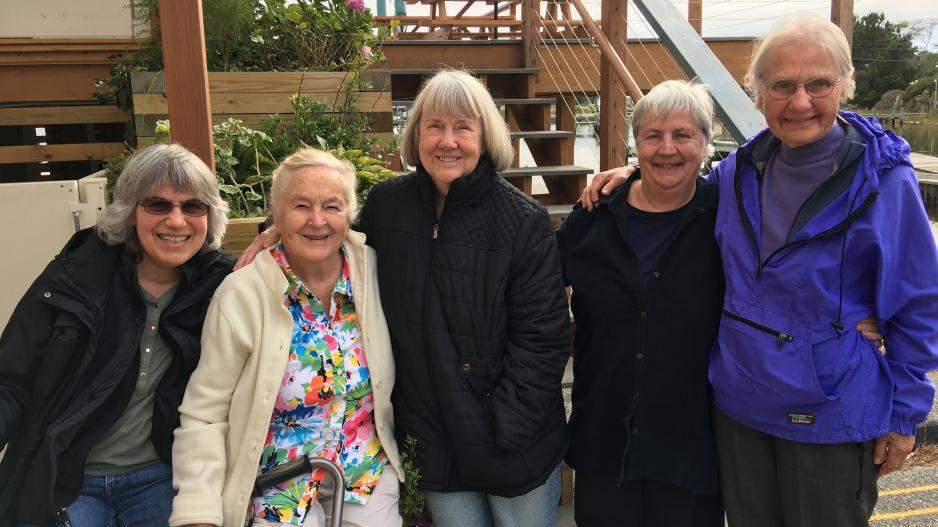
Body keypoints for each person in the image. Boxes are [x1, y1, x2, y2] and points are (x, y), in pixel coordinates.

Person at [582, 16, 938, 527]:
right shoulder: (737, 172)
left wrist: (905, 416)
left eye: (819, 84)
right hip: (740, 408)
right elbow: (678, 177)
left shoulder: (884, 182)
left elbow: (918, 303)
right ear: (758, 94)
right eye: (782, 85)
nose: (800, 102)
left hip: (829, 414)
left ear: (844, 87)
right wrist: (633, 174)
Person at [238, 70, 570, 527]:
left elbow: (544, 338)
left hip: (512, 442)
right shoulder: (389, 204)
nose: (447, 141)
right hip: (434, 439)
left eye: (463, 128)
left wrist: (504, 427)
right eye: (434, 126)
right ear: (416, 136)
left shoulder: (522, 221)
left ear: (486, 136)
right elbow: (328, 236)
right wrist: (278, 230)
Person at [0, 144, 235, 526]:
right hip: (70, 474)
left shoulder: (223, 285)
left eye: (193, 207)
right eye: (158, 205)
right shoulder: (77, 277)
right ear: (129, 212)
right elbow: (11, 377)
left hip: (162, 477)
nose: (176, 221)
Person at [170, 148, 402, 527]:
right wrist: (199, 510)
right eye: (300, 206)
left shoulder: (374, 271)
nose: (317, 220)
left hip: (365, 474)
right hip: (277, 482)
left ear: (349, 214)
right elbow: (205, 413)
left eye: (332, 206)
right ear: (276, 216)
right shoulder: (242, 294)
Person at [557, 80, 724, 526]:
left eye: (682, 135)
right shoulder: (594, 216)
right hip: (605, 440)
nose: (666, 148)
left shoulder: (728, 218)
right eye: (652, 135)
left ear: (706, 144)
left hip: (691, 450)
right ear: (636, 145)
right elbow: (530, 285)